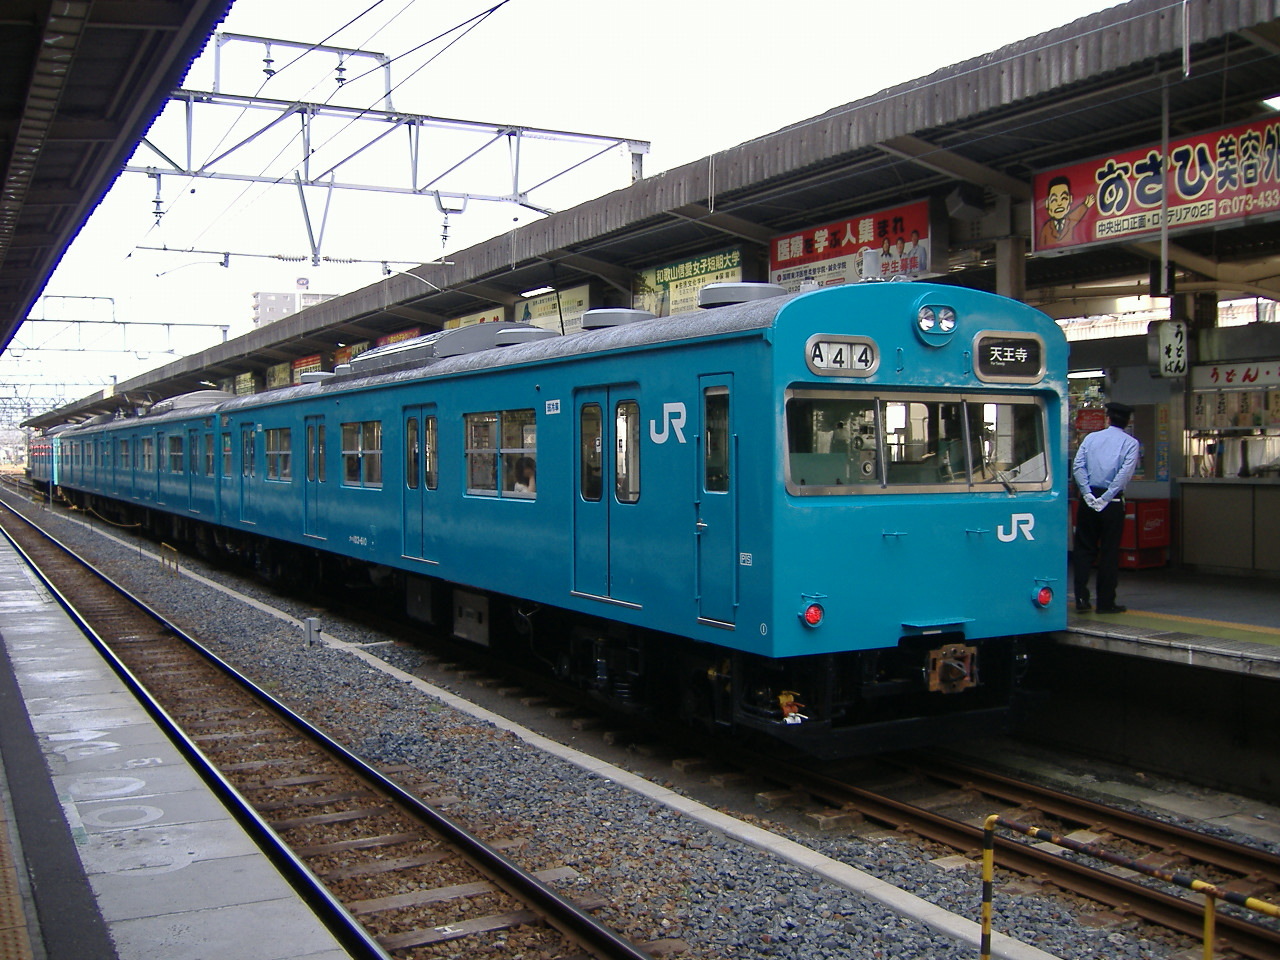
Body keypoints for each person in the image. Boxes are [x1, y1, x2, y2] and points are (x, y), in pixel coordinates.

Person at [1072, 402, 1140, 613]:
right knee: (1109, 553)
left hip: (1088, 499)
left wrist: (1088, 494)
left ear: (1107, 419)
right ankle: (1106, 602)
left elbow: (1078, 466)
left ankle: (1081, 600)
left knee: (1084, 549)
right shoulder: (1131, 443)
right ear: (1128, 422)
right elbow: (1123, 475)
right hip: (1113, 503)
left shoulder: (1091, 438)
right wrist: (1106, 498)